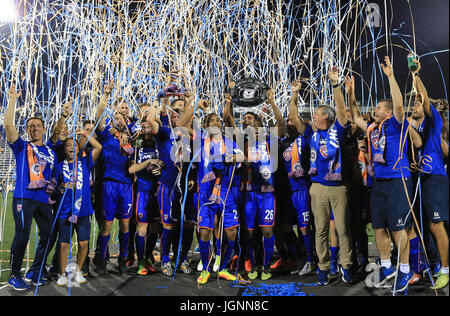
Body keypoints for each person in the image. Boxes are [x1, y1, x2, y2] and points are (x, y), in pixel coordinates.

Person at [348, 56, 423, 293]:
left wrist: (390, 76)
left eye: (379, 107)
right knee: (378, 226)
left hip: (398, 181)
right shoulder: (372, 128)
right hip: (378, 182)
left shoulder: (395, 124)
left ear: (387, 111)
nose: (375, 110)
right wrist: (350, 93)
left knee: (398, 228)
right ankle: (387, 266)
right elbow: (355, 115)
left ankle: (404, 269)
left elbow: (399, 106)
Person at [5, 84, 57, 290]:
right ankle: (14, 274)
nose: (34, 128)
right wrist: (12, 100)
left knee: (49, 234)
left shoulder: (51, 152)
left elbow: (51, 177)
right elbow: (9, 127)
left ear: (43, 128)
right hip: (24, 198)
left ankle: (35, 270)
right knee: (22, 235)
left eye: (37, 125)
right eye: (30, 126)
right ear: (27, 130)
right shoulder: (22, 146)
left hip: (44, 200)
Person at [231, 87, 286, 281]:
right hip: (248, 192)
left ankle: (266, 265)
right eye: (244, 120)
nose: (246, 121)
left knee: (267, 230)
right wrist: (229, 100)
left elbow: (282, 126)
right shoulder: (240, 141)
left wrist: (271, 102)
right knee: (250, 231)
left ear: (259, 123)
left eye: (250, 119)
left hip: (267, 193)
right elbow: (229, 121)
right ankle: (253, 264)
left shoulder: (268, 139)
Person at [308, 66, 354, 286]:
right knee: (320, 231)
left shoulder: (338, 131)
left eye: (316, 114)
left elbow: (342, 110)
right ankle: (324, 267)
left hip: (338, 187)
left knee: (344, 229)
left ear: (325, 115)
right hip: (318, 187)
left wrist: (335, 84)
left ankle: (346, 266)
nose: (313, 118)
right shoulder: (312, 133)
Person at [146, 92, 197, 277]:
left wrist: (192, 177)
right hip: (168, 186)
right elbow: (151, 119)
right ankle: (166, 260)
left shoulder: (191, 136)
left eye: (182, 110)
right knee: (169, 225)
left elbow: (196, 161)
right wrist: (160, 99)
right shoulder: (164, 132)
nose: (178, 113)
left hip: (188, 188)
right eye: (175, 111)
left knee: (189, 225)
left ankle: (183, 259)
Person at [409, 61, 449, 290]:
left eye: (417, 104)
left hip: (435, 178)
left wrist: (416, 76)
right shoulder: (420, 128)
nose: (414, 106)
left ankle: (445, 269)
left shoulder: (433, 121)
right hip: (422, 179)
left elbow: (423, 96)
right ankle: (432, 265)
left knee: (436, 225)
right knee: (424, 227)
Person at [273, 79, 314, 276]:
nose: (289, 123)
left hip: (302, 189)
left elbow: (292, 115)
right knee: (282, 228)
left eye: (292, 121)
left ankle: (309, 260)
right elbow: (281, 123)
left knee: (305, 228)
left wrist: (295, 94)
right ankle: (297, 256)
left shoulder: (305, 138)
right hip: (284, 191)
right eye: (287, 122)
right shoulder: (279, 142)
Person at [94, 81, 135, 275]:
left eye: (122, 115)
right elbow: (98, 116)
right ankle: (101, 261)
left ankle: (122, 260)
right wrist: (105, 94)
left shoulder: (132, 135)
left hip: (127, 185)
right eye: (116, 115)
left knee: (126, 224)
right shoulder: (107, 134)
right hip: (109, 184)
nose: (119, 118)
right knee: (107, 225)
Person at [54, 129, 102, 286]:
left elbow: (99, 148)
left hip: (83, 210)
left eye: (74, 145)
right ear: (64, 149)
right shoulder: (59, 166)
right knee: (63, 244)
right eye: (68, 145)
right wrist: (62, 186)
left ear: (78, 148)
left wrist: (85, 135)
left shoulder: (85, 162)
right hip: (65, 210)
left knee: (83, 244)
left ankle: (79, 270)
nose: (71, 147)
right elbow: (53, 188)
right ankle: (62, 274)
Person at [128, 119, 164, 275]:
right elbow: (131, 169)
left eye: (149, 127)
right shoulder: (137, 146)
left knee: (155, 227)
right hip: (142, 190)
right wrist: (148, 161)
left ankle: (148, 258)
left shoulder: (160, 144)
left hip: (157, 190)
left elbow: (165, 162)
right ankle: (140, 261)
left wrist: (160, 166)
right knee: (142, 227)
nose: (147, 129)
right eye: (144, 127)